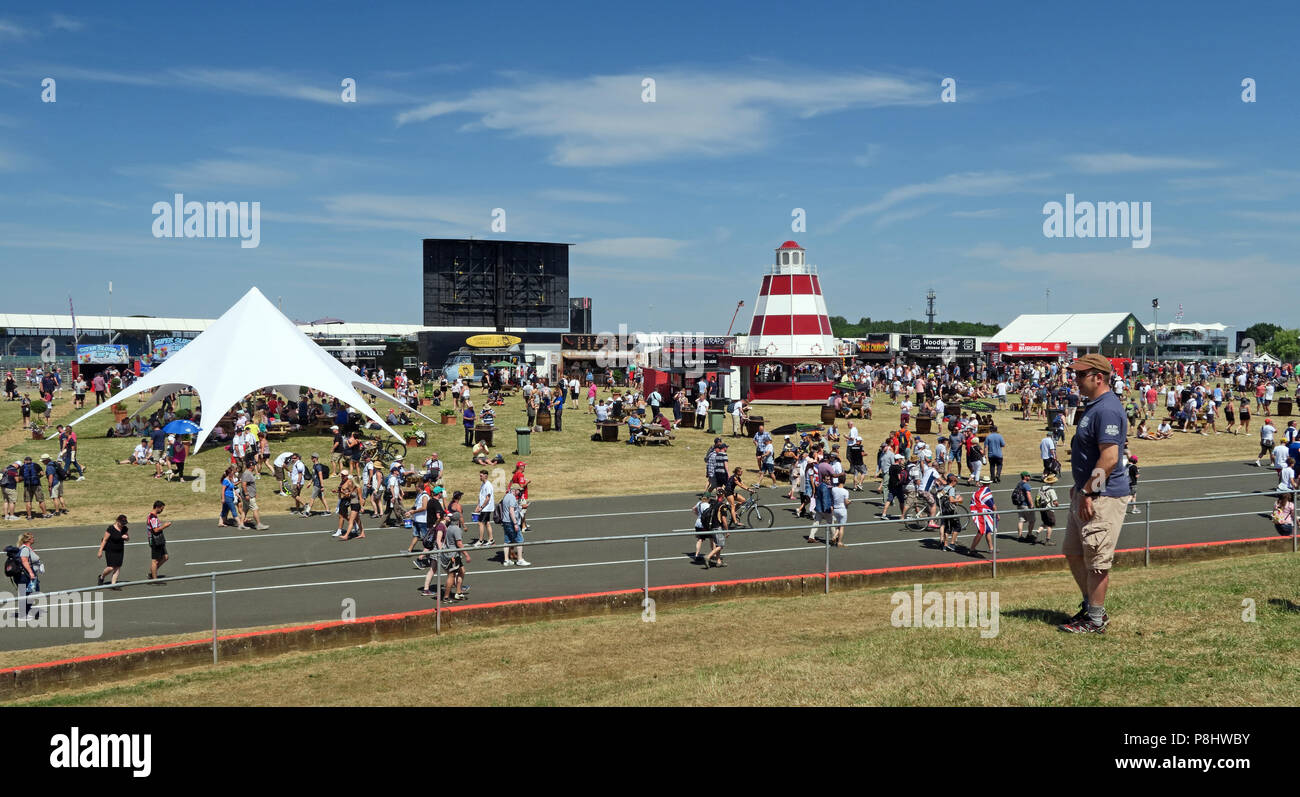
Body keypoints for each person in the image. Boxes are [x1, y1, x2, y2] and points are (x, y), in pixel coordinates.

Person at [1060, 354, 1130, 634]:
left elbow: (1110, 458)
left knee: (1097, 560)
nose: (1074, 380)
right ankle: (1091, 606)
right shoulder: (1094, 406)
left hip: (1103, 496)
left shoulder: (1108, 409)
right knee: (1074, 552)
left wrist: (1088, 491)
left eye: (1080, 375)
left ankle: (1096, 619)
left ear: (1097, 377)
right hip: (1086, 492)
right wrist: (1079, 488)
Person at [11, 532, 42, 620]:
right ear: (28, 540)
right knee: (30, 593)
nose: (34, 539)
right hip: (25, 576)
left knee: (27, 593)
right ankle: (23, 614)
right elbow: (24, 561)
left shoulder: (26, 548)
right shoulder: (25, 549)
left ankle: (25, 611)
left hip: (24, 576)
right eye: (32, 537)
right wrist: (31, 573)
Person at [97, 514, 129, 589]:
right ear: (117, 521)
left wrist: (126, 537)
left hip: (120, 550)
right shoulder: (110, 529)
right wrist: (100, 551)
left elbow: (128, 538)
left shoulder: (125, 529)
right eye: (122, 523)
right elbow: (104, 540)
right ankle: (101, 577)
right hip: (110, 550)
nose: (123, 525)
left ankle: (113, 584)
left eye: (124, 523)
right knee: (111, 567)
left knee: (117, 567)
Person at [501, 482, 530, 566]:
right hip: (511, 522)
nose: (519, 492)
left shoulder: (506, 496)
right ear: (515, 490)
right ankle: (520, 559)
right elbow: (511, 511)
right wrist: (515, 524)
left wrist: (519, 507)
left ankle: (506, 560)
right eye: (518, 490)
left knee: (507, 541)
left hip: (505, 521)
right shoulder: (512, 498)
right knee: (520, 540)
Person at [145, 500, 171, 580]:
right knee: (155, 560)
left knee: (165, 557)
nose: (162, 511)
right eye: (162, 509)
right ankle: (154, 578)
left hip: (158, 539)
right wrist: (165, 526)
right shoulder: (153, 518)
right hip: (155, 540)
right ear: (158, 507)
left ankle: (153, 572)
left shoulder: (151, 515)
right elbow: (155, 530)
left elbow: (147, 524)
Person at [473, 469, 495, 548]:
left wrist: (481, 507)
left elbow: (487, 498)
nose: (480, 477)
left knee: (480, 523)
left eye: (481, 476)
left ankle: (481, 540)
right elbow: (481, 496)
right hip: (483, 507)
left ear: (485, 476)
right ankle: (491, 539)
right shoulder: (483, 484)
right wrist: (478, 505)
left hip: (486, 508)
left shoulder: (488, 485)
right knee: (487, 523)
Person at [1012, 471, 1036, 541]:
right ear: (1025, 477)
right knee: (1032, 520)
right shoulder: (1026, 485)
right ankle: (1029, 534)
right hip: (1026, 505)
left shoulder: (1019, 484)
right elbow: (1028, 495)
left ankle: (1020, 536)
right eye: (1028, 476)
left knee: (1021, 520)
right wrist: (1031, 504)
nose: (1029, 477)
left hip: (1019, 505)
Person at [1034, 480, 1060, 545]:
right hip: (1048, 509)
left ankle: (1037, 532)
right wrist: (1057, 505)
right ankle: (1047, 541)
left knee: (1045, 523)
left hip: (1042, 508)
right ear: (1052, 482)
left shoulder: (1041, 488)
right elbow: (1055, 502)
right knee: (1050, 525)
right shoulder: (1051, 490)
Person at [829, 477, 851, 547]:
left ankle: (834, 537)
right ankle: (839, 542)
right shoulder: (845, 491)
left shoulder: (834, 489)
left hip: (835, 509)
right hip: (842, 509)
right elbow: (846, 502)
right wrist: (849, 502)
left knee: (839, 524)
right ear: (844, 482)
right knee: (842, 526)